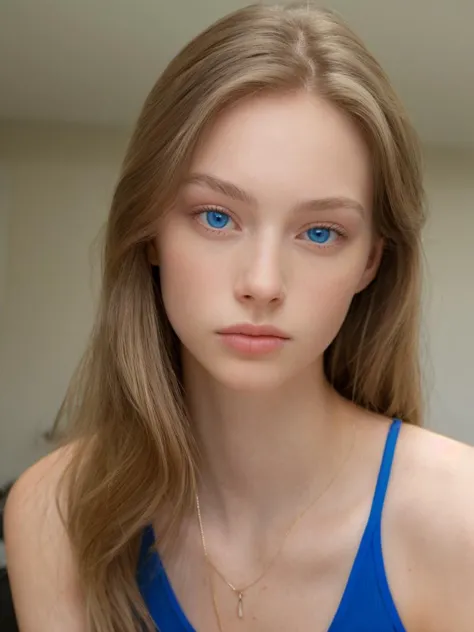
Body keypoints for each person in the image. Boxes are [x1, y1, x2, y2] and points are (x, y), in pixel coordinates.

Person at [4, 2, 474, 631]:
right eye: (217, 217)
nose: (262, 283)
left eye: (320, 232)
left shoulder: (459, 515)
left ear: (370, 263)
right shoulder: (54, 513)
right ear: (149, 233)